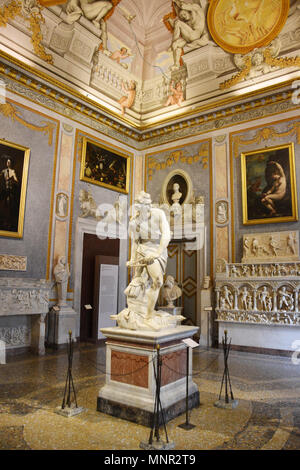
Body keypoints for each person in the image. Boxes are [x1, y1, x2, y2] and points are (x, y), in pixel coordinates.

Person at [126, 191, 171, 320]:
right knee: (152, 280)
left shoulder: (158, 214)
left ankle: (148, 312)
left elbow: (166, 235)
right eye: (138, 204)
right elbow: (135, 242)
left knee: (155, 282)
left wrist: (157, 253)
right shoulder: (134, 222)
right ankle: (146, 313)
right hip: (143, 249)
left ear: (148, 205)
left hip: (158, 249)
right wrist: (132, 259)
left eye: (143, 204)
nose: (139, 207)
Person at [168, 0, 207, 69]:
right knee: (176, 45)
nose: (183, 17)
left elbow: (187, 6)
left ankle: (172, 43)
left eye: (184, 14)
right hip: (189, 38)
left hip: (195, 35)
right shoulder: (187, 23)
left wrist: (178, 2)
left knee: (178, 23)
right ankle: (176, 64)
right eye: (181, 16)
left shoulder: (197, 13)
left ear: (188, 12)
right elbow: (179, 29)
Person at [0, 156, 19, 231]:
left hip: (11, 191)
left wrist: (12, 179)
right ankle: (4, 221)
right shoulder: (4, 171)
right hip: (5, 190)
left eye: (9, 162)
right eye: (7, 162)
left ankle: (9, 222)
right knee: (3, 204)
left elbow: (17, 181)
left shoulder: (13, 171)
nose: (8, 163)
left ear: (11, 163)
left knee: (10, 204)